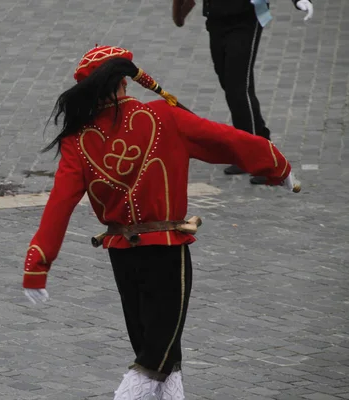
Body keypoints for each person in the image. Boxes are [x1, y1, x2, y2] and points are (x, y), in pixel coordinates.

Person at [21, 45, 299, 399]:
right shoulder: (164, 116)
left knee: (162, 356)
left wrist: (37, 264)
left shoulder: (78, 140)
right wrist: (276, 164)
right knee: (154, 360)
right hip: (166, 251)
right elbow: (224, 139)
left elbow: (59, 204)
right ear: (123, 82)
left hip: (120, 254)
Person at [172, 0, 313, 184]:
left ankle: (261, 160)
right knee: (229, 82)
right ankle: (253, 142)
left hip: (246, 19)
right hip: (216, 18)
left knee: (238, 87)